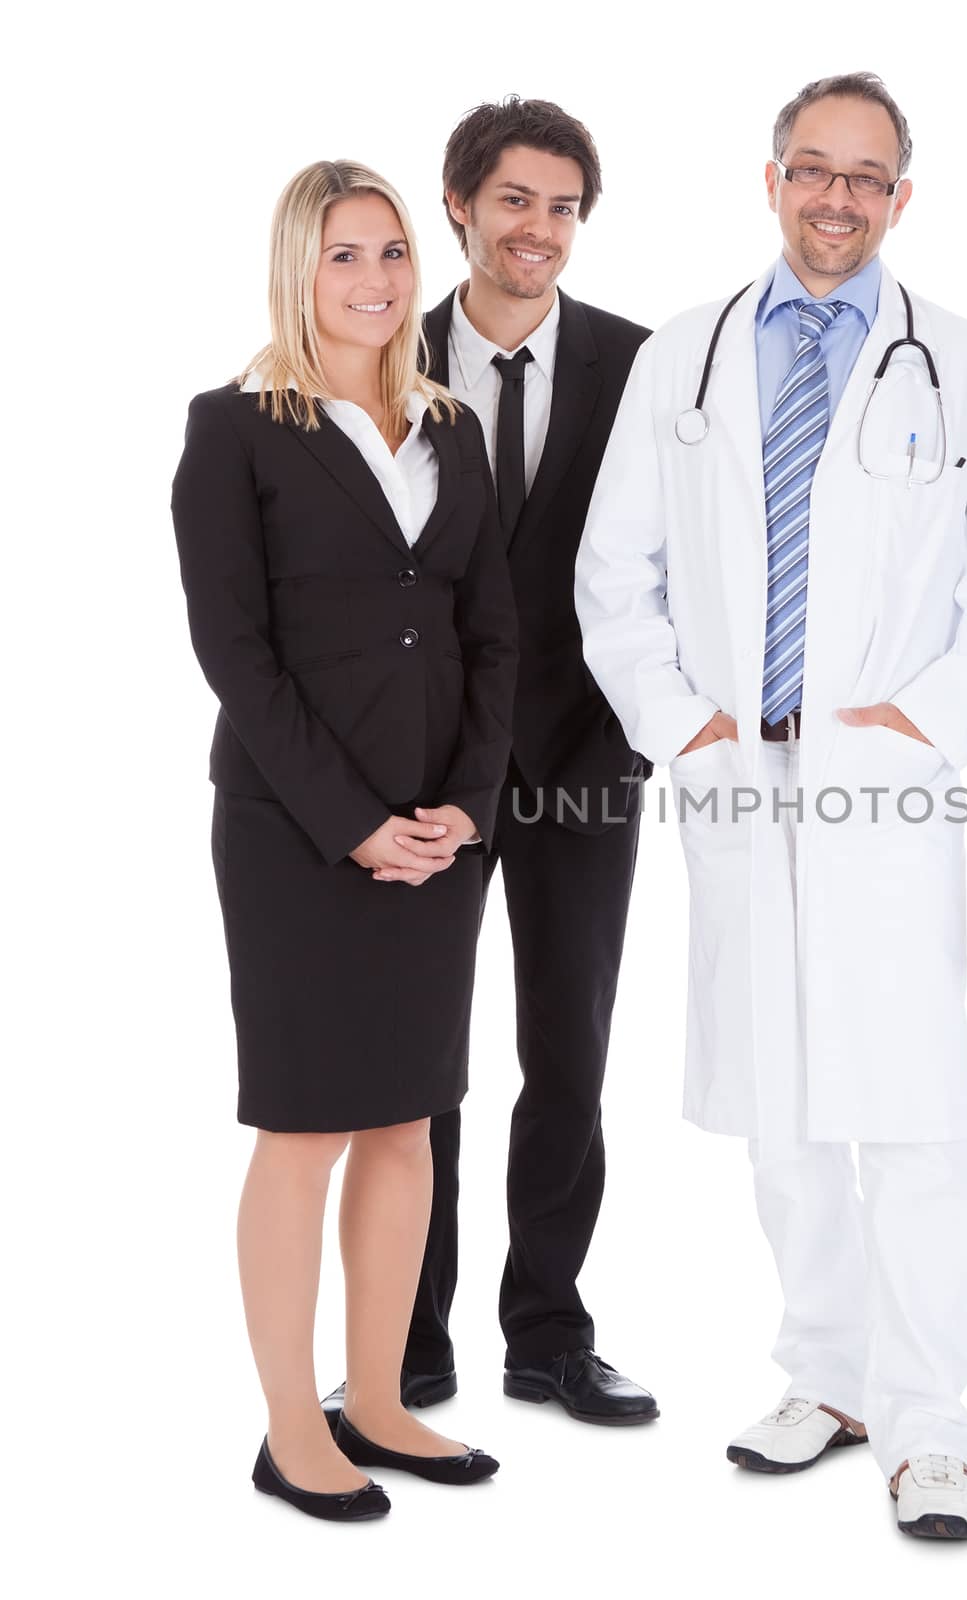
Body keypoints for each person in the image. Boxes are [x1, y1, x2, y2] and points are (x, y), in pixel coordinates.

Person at [575, 73, 967, 1538]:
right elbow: (614, 572)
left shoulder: (960, 364)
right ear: (768, 179)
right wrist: (685, 729)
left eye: (867, 177)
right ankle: (826, 1377)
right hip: (735, 781)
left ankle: (930, 1425)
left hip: (880, 787)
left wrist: (929, 728)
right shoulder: (684, 359)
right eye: (811, 170)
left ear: (901, 200)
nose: (835, 197)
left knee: (906, 1108)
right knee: (781, 1104)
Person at [172, 159, 515, 1520]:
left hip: (438, 835)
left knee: (408, 1122)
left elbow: (491, 633)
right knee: (307, 1125)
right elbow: (235, 655)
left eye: (388, 253)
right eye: (342, 257)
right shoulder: (237, 427)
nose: (374, 280)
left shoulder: (453, 431)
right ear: (297, 272)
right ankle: (288, 1426)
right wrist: (353, 822)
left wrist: (464, 806)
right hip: (296, 836)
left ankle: (377, 1402)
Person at [320, 98, 658, 1431]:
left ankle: (549, 1333)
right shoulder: (383, 348)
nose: (541, 229)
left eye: (565, 206)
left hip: (583, 757)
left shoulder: (640, 364)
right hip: (426, 768)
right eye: (516, 200)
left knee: (568, 1050)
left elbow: (673, 562)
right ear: (457, 204)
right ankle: (407, 1343)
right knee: (421, 1063)